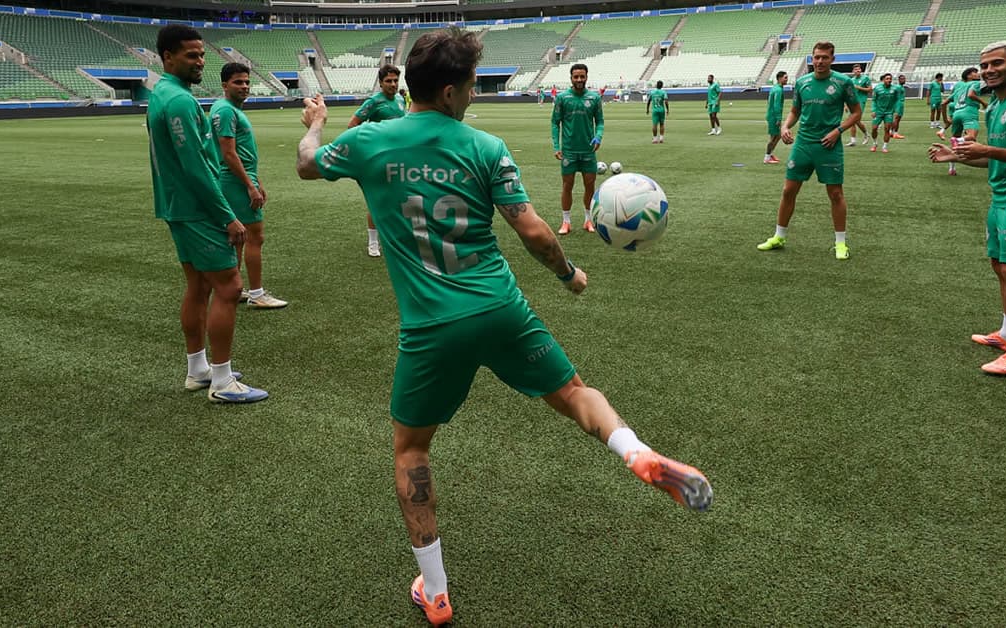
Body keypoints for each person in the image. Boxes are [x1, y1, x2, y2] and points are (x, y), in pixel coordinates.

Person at [295, 28, 713, 626]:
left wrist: (314, 123)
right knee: (571, 392)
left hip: (432, 327)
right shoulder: (485, 147)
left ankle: (435, 592)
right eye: (469, 86)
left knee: (412, 448)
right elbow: (536, 233)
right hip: (499, 307)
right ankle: (637, 452)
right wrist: (569, 275)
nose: (473, 96)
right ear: (447, 92)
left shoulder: (368, 140)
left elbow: (308, 165)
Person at [147, 25, 267, 403]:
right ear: (168, 57)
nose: (200, 62)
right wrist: (227, 217)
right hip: (195, 209)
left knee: (198, 287)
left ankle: (198, 370)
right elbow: (196, 169)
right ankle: (222, 382)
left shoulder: (165, 94)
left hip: (176, 206)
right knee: (230, 287)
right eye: (191, 55)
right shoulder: (179, 102)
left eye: (201, 55)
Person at [928, 41, 1006, 375]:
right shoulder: (996, 105)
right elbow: (993, 159)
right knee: (999, 265)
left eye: (997, 63)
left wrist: (988, 150)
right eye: (984, 65)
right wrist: (956, 156)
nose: (989, 70)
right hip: (1002, 196)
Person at [757, 41, 861, 260]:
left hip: (829, 145)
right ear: (812, 59)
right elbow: (795, 111)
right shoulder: (802, 82)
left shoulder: (843, 82)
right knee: (788, 191)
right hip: (803, 144)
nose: (820, 61)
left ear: (832, 59)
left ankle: (841, 243)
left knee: (835, 194)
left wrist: (838, 131)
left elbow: (856, 113)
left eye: (824, 57)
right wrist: (785, 127)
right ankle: (779, 236)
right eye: (816, 57)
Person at [210, 63, 288, 310]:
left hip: (241, 180)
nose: (244, 87)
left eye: (246, 82)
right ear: (224, 85)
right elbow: (229, 154)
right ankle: (257, 293)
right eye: (238, 82)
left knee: (240, 238)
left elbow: (242, 155)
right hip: (234, 182)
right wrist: (250, 186)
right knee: (256, 236)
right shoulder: (225, 110)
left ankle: (235, 287)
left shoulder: (229, 109)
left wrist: (258, 182)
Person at [346, 64, 406, 257]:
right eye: (388, 81)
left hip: (399, 157)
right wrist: (367, 148)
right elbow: (353, 125)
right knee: (378, 201)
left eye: (395, 80)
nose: (393, 84)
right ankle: (373, 243)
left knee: (399, 199)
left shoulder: (400, 99)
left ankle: (395, 238)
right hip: (379, 159)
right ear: (381, 83)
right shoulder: (373, 102)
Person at [551, 63, 604, 235]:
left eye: (582, 76)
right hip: (569, 151)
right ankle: (566, 222)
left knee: (590, 186)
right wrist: (557, 146)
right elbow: (555, 122)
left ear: (587, 77)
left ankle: (588, 220)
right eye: (576, 77)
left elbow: (600, 122)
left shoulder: (594, 98)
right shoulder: (562, 98)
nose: (579, 79)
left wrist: (598, 136)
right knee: (567, 185)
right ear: (571, 78)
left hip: (588, 151)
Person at [938, 67, 986, 175]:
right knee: (971, 136)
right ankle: (959, 141)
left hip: (956, 114)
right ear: (968, 75)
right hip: (969, 112)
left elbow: (943, 103)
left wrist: (946, 120)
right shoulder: (975, 83)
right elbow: (971, 95)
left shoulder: (959, 87)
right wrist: (983, 103)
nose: (978, 74)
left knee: (955, 139)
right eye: (975, 72)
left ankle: (951, 169)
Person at [868, 73, 899, 153]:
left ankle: (884, 146)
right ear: (883, 80)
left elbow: (897, 100)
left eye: (890, 79)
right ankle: (875, 143)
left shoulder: (895, 89)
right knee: (874, 128)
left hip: (889, 112)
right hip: (878, 112)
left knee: (887, 129)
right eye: (887, 78)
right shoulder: (877, 88)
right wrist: (873, 110)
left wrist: (896, 110)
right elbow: (874, 100)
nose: (889, 80)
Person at [764, 70, 788, 164]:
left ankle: (770, 154)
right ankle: (767, 157)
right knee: (774, 137)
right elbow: (776, 105)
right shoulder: (778, 90)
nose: (787, 79)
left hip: (771, 115)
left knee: (777, 136)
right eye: (785, 77)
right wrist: (778, 118)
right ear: (779, 78)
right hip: (774, 116)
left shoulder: (775, 88)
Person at [846, 64, 872, 146]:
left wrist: (859, 88)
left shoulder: (865, 78)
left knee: (856, 120)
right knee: (852, 121)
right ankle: (853, 141)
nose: (858, 70)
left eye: (859, 69)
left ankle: (866, 134)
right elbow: (849, 93)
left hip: (861, 101)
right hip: (852, 102)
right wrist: (846, 105)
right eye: (856, 69)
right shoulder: (851, 80)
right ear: (853, 71)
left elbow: (870, 90)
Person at [646, 79, 669, 143]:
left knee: (654, 125)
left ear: (656, 85)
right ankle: (661, 138)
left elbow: (648, 101)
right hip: (661, 110)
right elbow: (666, 101)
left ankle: (655, 139)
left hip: (655, 110)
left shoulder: (652, 92)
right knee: (662, 124)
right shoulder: (663, 92)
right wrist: (667, 109)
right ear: (662, 86)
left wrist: (647, 109)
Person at [891, 74, 907, 138]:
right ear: (899, 80)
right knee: (897, 119)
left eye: (904, 79)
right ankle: (895, 133)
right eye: (902, 79)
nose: (904, 80)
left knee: (897, 119)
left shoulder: (901, 86)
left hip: (899, 103)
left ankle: (891, 132)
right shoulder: (898, 87)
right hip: (899, 103)